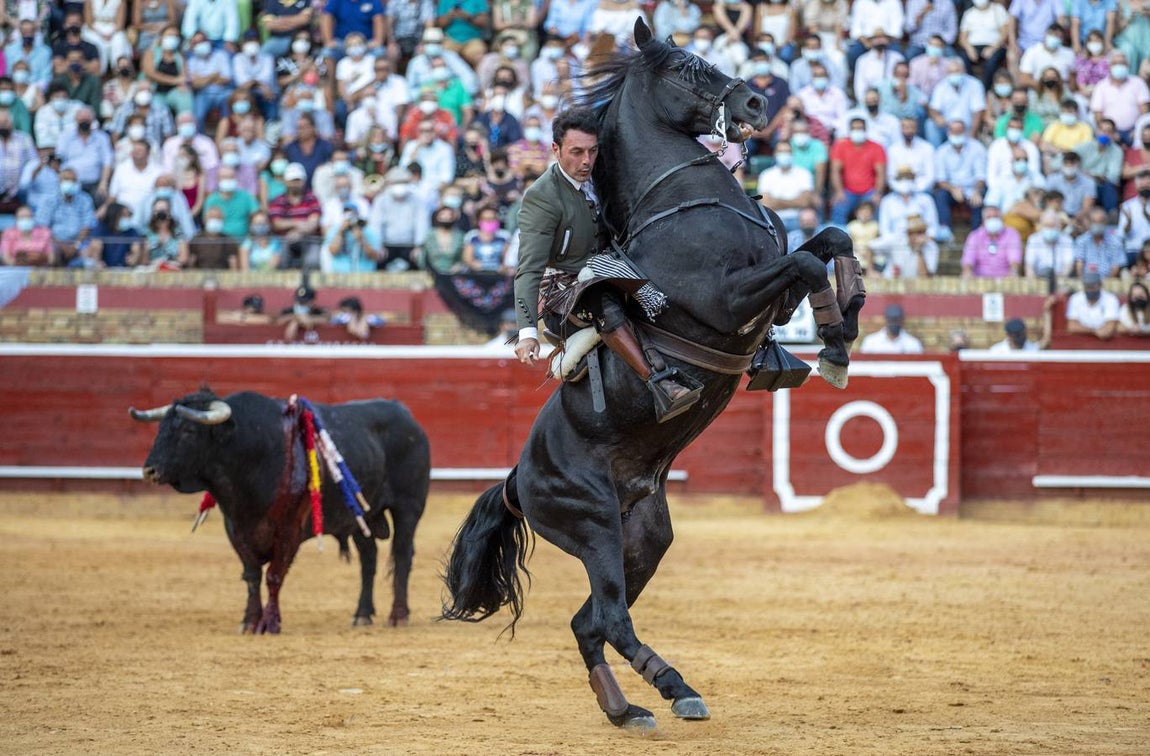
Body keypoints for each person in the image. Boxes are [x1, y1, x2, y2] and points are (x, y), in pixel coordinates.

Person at [513, 107, 700, 423]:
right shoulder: (542, 198)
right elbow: (529, 269)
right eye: (576, 152)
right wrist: (527, 332)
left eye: (592, 151)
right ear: (556, 150)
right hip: (567, 288)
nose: (586, 160)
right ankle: (660, 384)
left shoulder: (599, 174)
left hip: (613, 264)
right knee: (601, 299)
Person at [961, 205, 1023, 278]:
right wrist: (967, 271)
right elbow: (968, 259)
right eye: (989, 217)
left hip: (1005, 280)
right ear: (983, 220)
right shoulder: (975, 236)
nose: (993, 220)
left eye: (995, 217)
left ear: (1002, 219)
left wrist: (1013, 272)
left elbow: (1014, 258)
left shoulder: (1012, 234)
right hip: (979, 281)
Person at [1065, 269, 1120, 339]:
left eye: (1093, 286)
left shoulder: (1111, 299)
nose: (1090, 290)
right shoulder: (1075, 298)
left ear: (1100, 285)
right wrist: (1094, 331)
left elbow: (1109, 328)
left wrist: (1095, 331)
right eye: (1087, 287)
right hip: (1080, 342)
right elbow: (1071, 326)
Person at [1025, 211, 1076, 277]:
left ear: (1059, 226)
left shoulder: (1067, 240)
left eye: (1052, 226)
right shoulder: (1033, 239)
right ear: (1041, 226)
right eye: (1046, 226)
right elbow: (1029, 265)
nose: (1049, 229)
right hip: (1039, 278)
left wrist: (1060, 279)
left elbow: (1068, 264)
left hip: (1060, 278)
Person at [859, 303, 924, 353]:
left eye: (897, 320)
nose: (894, 323)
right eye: (891, 320)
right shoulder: (871, 342)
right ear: (886, 320)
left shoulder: (913, 344)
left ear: (902, 321)